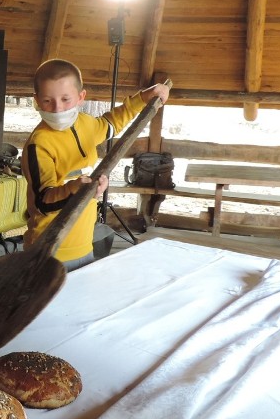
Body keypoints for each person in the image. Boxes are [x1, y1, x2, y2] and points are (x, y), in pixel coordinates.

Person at [20, 58, 170, 271]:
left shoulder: (86, 125)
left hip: (83, 246)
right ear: (36, 100)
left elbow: (112, 122)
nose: (57, 109)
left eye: (65, 99)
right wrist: (75, 189)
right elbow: (44, 201)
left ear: (81, 97)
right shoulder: (39, 144)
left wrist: (144, 97)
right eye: (47, 101)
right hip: (49, 252)